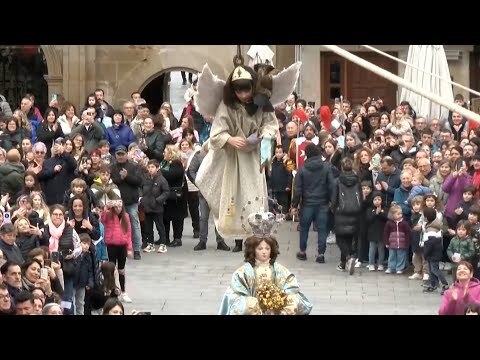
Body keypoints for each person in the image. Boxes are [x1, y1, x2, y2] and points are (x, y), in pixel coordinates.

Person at [195, 58, 296, 251]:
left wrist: (263, 136)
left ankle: (256, 235)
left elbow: (270, 124)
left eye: (246, 89)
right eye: (238, 90)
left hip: (252, 158)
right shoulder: (226, 105)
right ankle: (237, 238)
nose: (242, 94)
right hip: (231, 159)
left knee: (253, 194)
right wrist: (230, 139)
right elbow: (216, 132)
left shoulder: (262, 104)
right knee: (231, 195)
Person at [219, 231, 312, 315]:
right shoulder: (243, 272)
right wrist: (253, 302)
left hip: (277, 308)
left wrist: (280, 298)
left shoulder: (279, 269)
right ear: (253, 250)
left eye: (267, 248)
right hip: (255, 308)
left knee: (293, 300)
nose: (264, 252)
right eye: (260, 249)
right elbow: (234, 294)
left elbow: (291, 286)